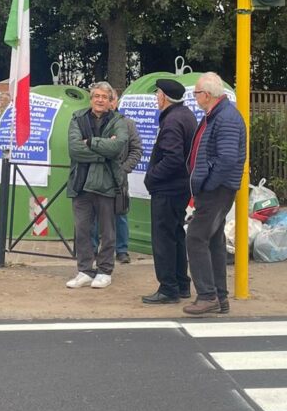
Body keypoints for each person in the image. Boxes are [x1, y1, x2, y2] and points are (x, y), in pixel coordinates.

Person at [183, 72, 246, 316]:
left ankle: (207, 296)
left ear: (206, 95)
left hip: (216, 190)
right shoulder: (217, 115)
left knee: (195, 238)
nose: (195, 97)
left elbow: (228, 158)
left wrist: (207, 183)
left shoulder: (225, 117)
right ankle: (220, 297)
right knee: (213, 240)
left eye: (196, 93)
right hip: (216, 188)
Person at [66, 81, 129, 289]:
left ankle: (104, 271)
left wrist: (91, 142)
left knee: (107, 232)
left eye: (104, 97)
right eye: (96, 96)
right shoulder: (78, 118)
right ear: (91, 98)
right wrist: (104, 153)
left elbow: (118, 147)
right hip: (81, 182)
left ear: (111, 101)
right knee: (82, 229)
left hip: (107, 183)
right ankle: (84, 270)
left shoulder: (119, 120)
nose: (100, 100)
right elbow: (74, 149)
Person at [140, 78, 198, 304]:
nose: (156, 98)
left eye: (157, 94)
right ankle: (182, 284)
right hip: (181, 187)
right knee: (176, 235)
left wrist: (152, 177)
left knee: (163, 238)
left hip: (167, 189)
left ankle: (168, 288)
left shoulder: (172, 121)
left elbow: (173, 158)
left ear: (164, 96)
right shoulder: (186, 115)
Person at [92, 89, 143, 263]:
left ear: (116, 102)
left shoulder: (128, 124)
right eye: (102, 98)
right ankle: (92, 249)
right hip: (96, 175)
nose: (107, 102)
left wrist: (124, 169)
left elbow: (137, 149)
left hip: (118, 177)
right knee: (94, 213)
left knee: (120, 212)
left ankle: (122, 250)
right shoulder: (92, 122)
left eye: (110, 99)